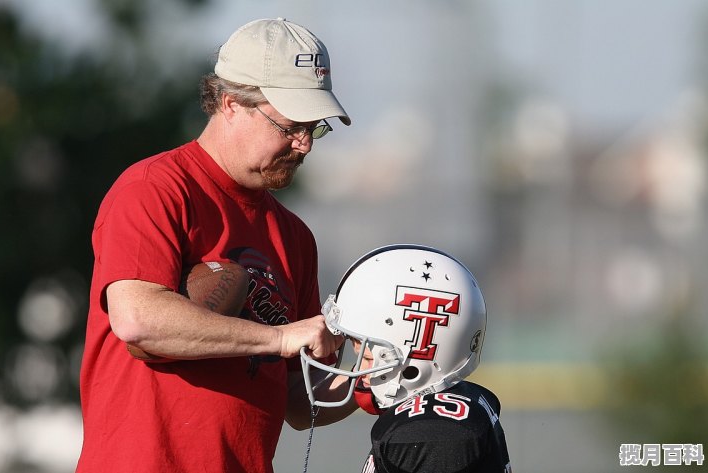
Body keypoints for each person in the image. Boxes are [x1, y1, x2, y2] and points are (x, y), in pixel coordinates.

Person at [76, 18, 358, 473]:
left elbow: (300, 405)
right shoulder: (154, 188)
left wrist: (380, 378)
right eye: (290, 125)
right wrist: (281, 336)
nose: (304, 144)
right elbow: (137, 320)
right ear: (230, 103)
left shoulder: (295, 238)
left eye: (314, 127)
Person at [301, 244, 512, 472]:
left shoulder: (430, 432)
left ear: (414, 360)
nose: (358, 371)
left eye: (368, 357)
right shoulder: (450, 409)